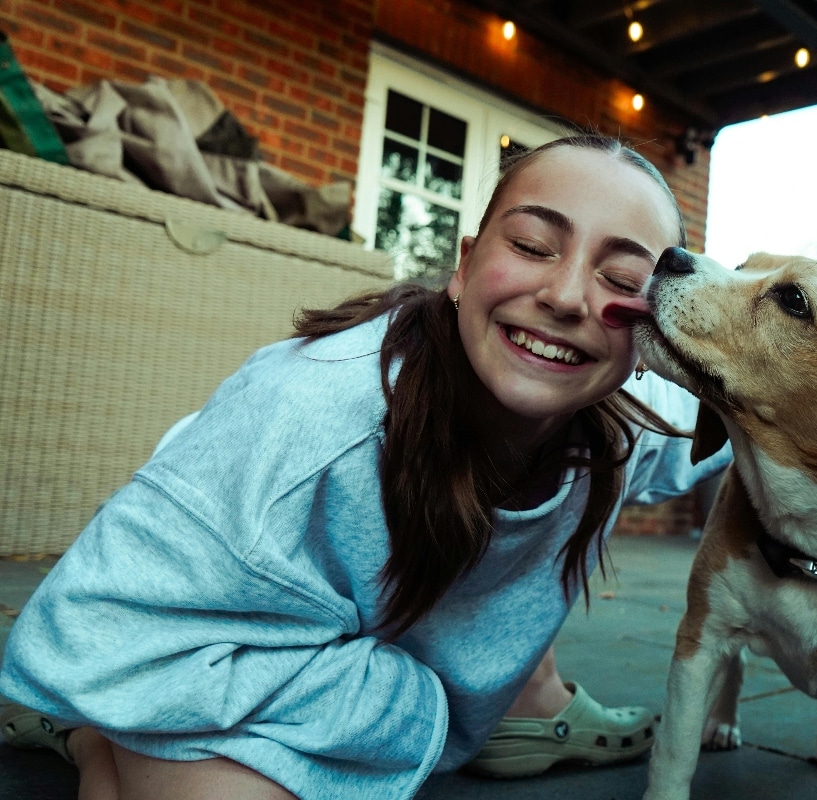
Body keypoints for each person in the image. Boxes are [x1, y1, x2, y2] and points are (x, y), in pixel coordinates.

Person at [0, 133, 731, 800]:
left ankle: (526, 697)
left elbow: (771, 423)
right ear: (466, 263)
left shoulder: (627, 427)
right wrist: (399, 702)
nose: (567, 297)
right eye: (536, 245)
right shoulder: (310, 416)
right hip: (216, 612)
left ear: (651, 336)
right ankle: (90, 735)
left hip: (361, 634)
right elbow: (87, 627)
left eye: (622, 277)